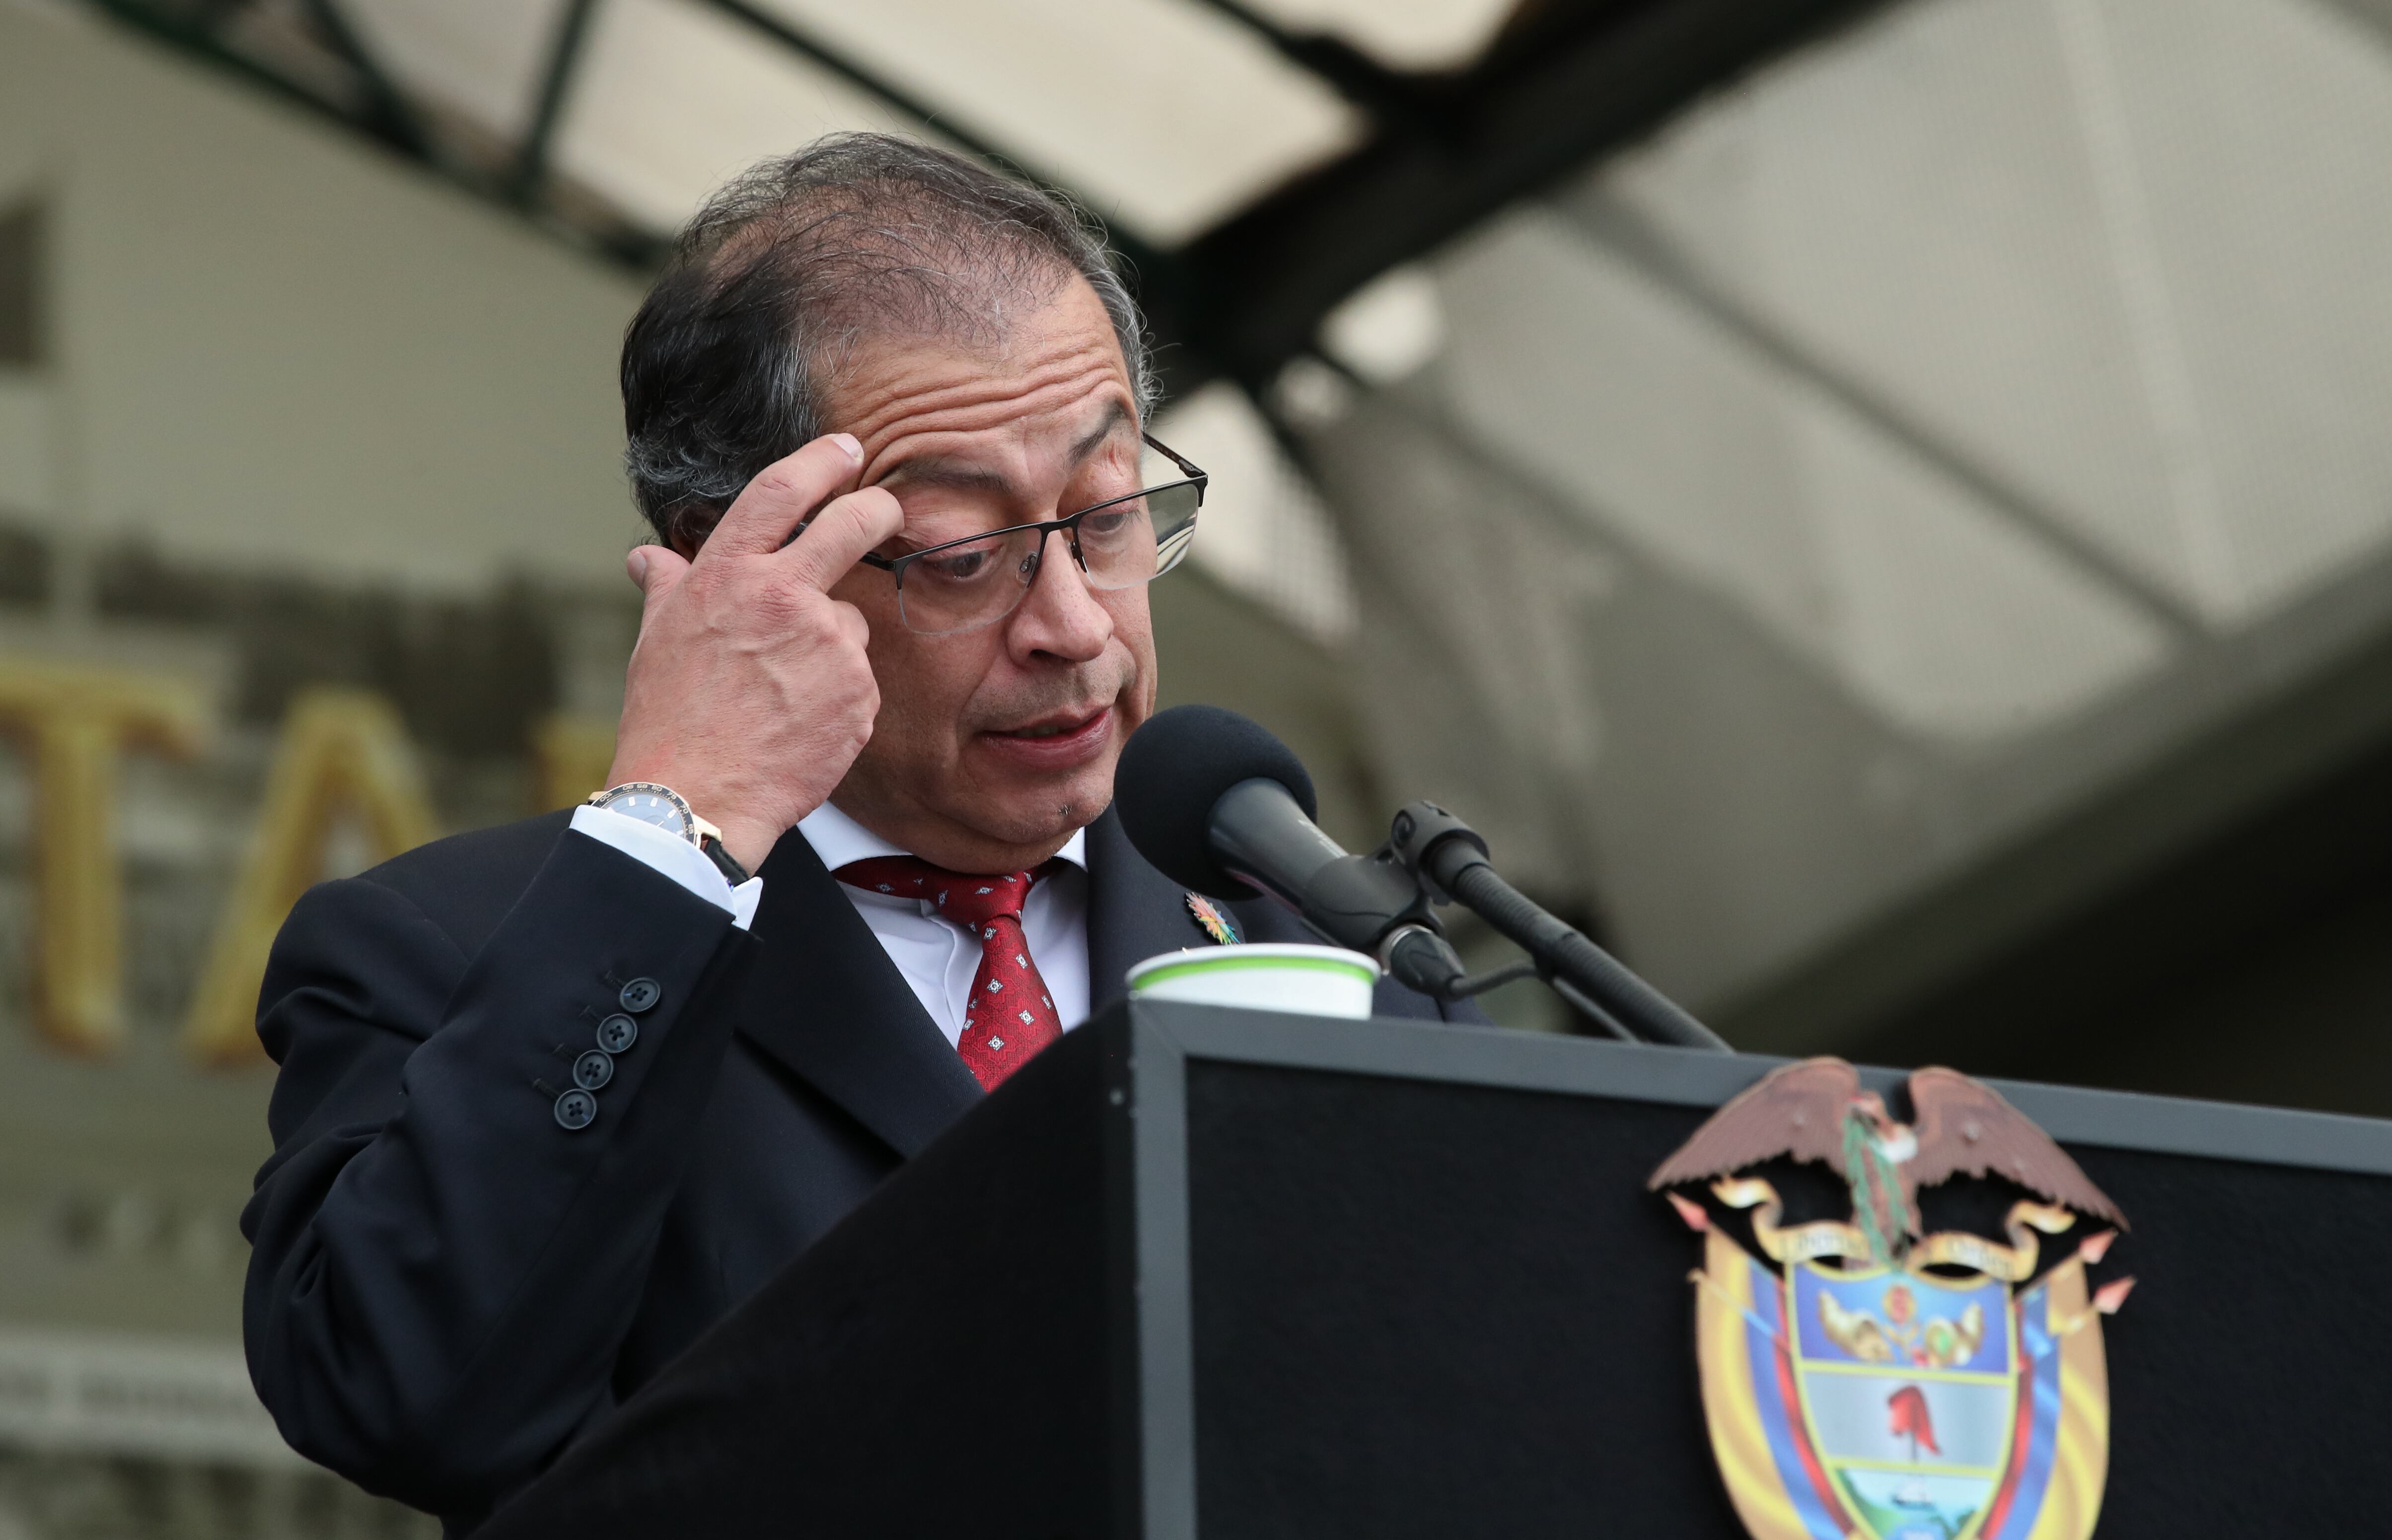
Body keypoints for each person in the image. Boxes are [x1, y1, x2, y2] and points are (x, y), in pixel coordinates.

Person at [241, 134, 1480, 1532]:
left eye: (1112, 516)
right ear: (746, 561)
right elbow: (407, 1392)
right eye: (962, 556)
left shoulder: (1312, 942)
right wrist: (679, 836)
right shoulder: (461, 950)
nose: (1072, 625)